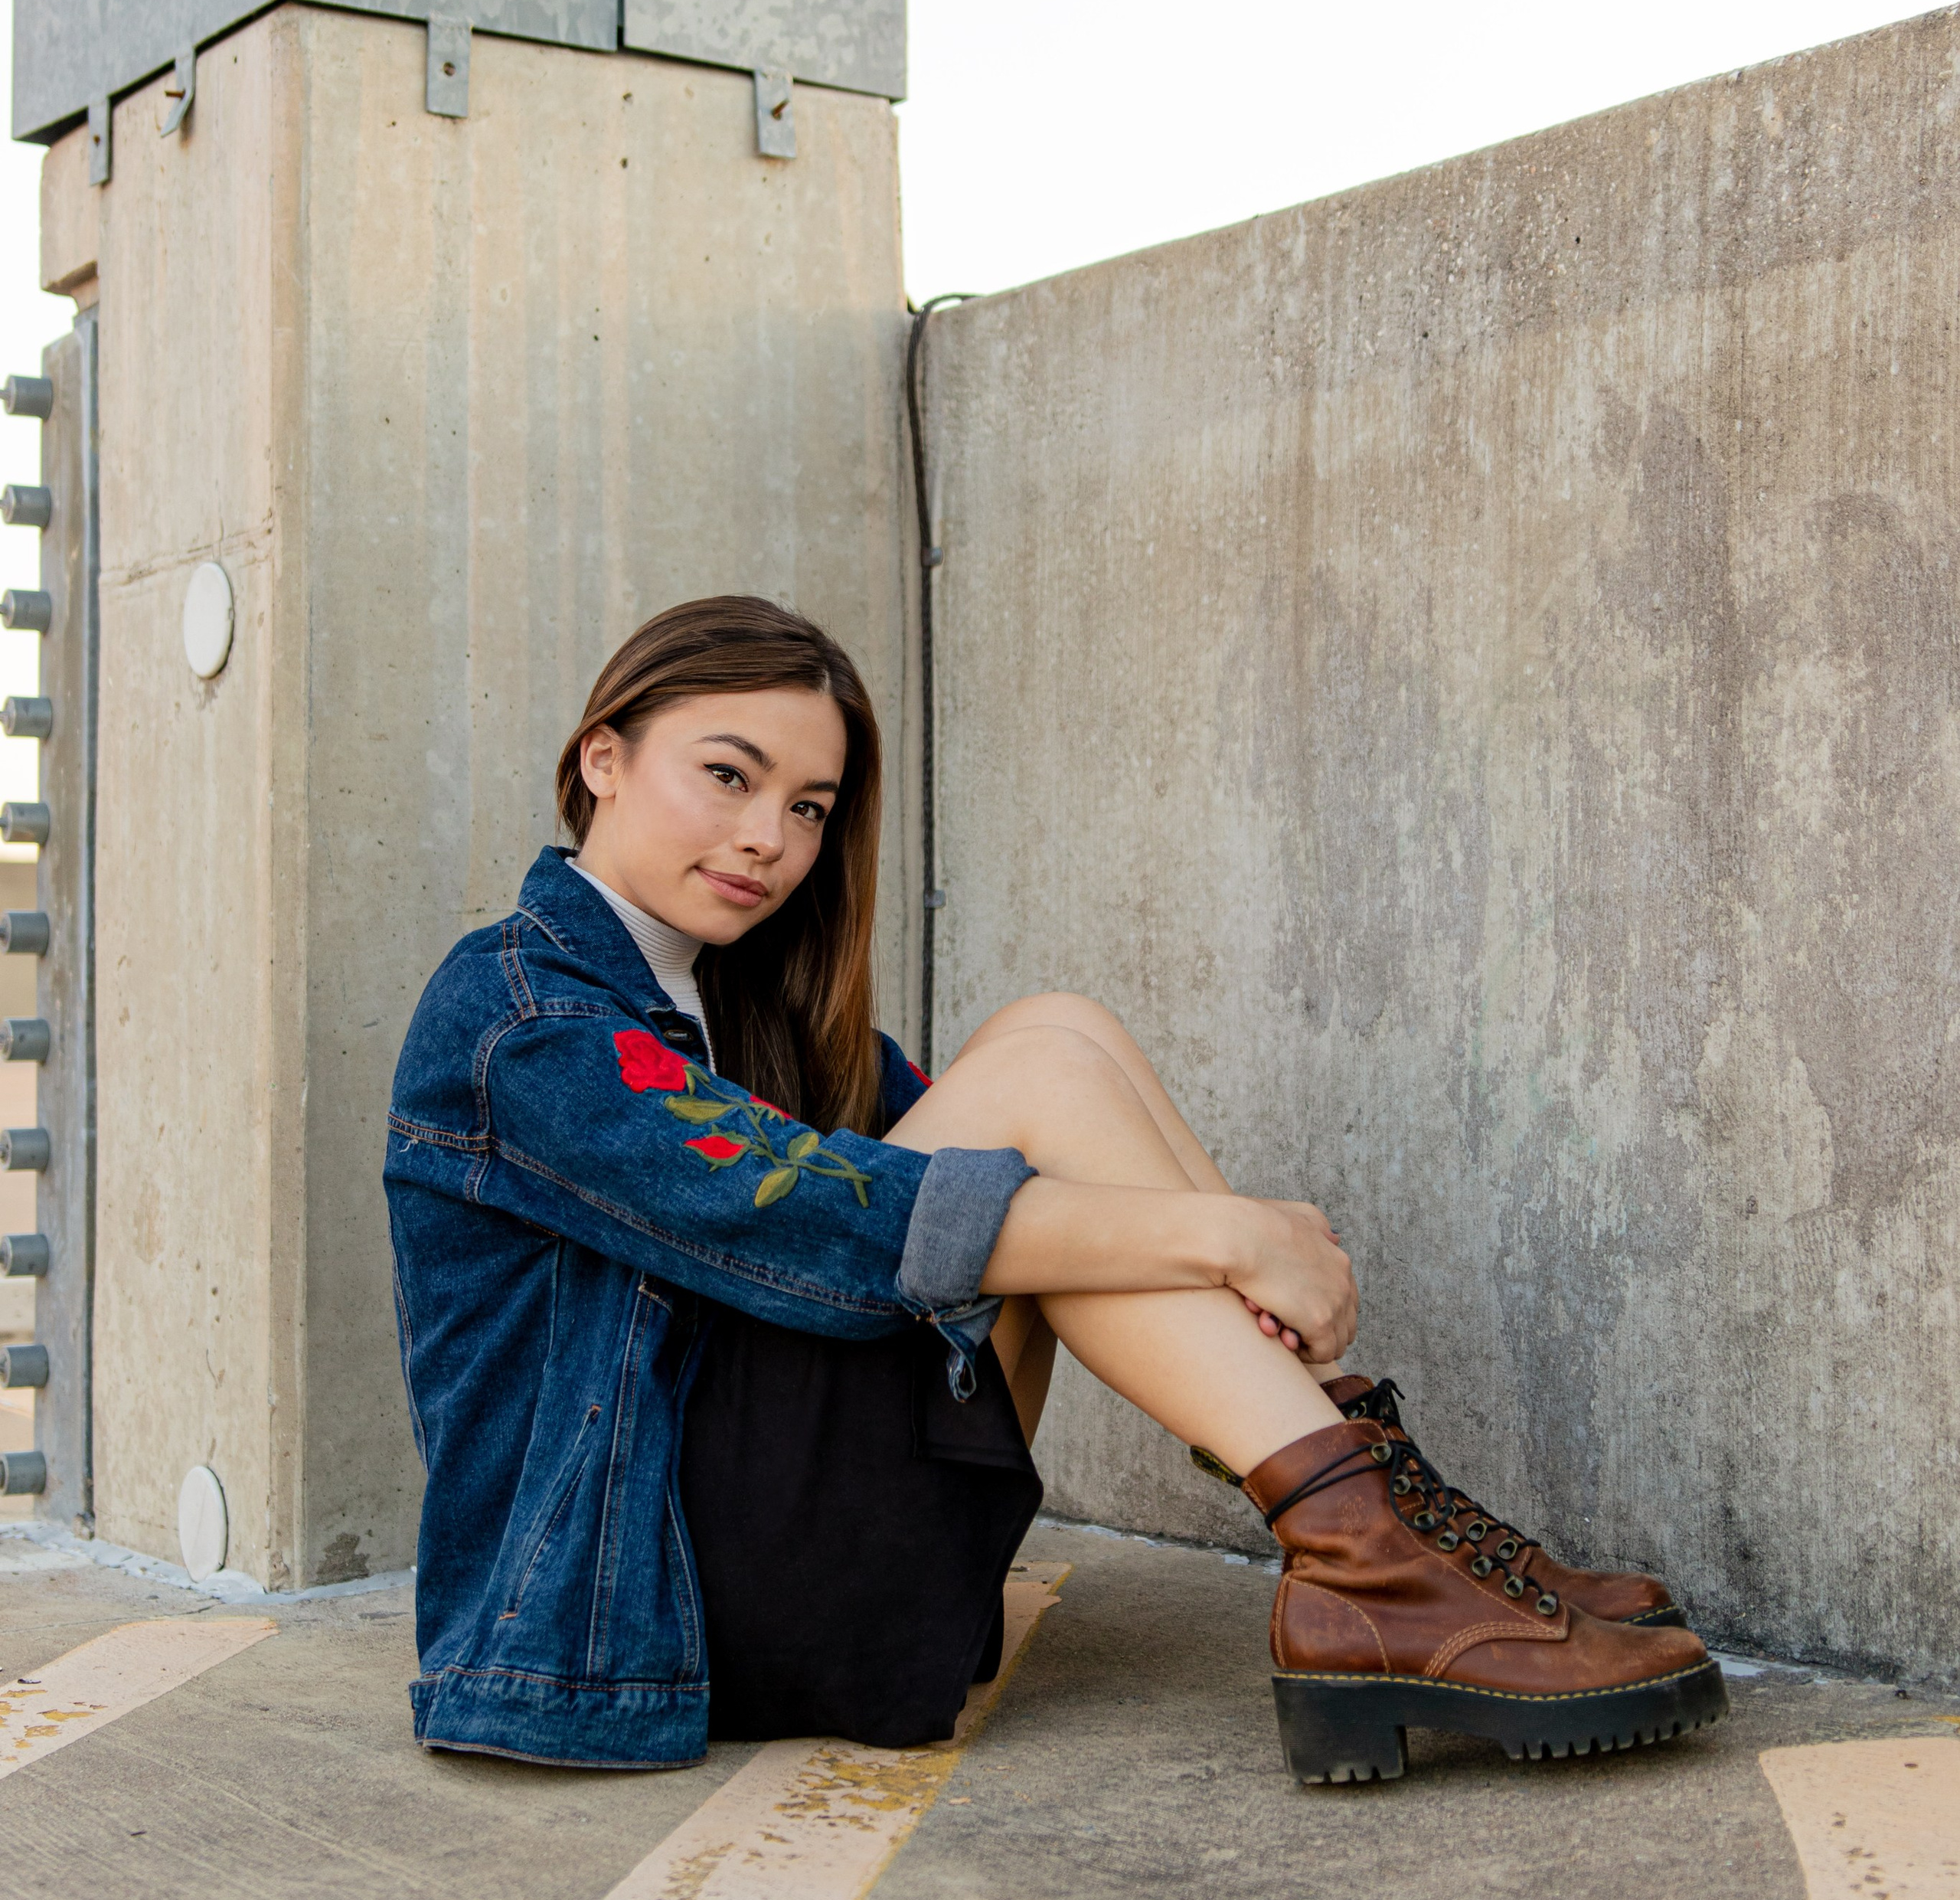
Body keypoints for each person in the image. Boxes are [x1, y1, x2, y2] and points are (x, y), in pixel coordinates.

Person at [385, 595, 1725, 1785]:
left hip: (802, 1552)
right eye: (728, 776)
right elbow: (825, 1222)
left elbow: (963, 1197)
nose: (768, 839)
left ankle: (1376, 1529)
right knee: (1038, 1079)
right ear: (600, 757)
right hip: (638, 1608)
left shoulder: (745, 1001)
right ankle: (1369, 1544)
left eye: (808, 807)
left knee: (1058, 1036)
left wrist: (1214, 1240)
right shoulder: (520, 1017)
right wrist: (1231, 1233)